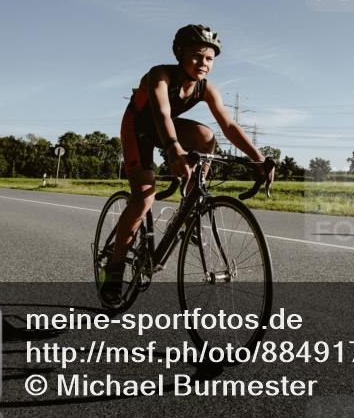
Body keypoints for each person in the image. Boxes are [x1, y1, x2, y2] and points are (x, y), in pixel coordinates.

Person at [100, 24, 274, 305]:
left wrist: (259, 158)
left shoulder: (206, 88)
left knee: (207, 136)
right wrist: (174, 149)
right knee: (144, 196)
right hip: (140, 128)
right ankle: (115, 271)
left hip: (167, 131)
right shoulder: (160, 75)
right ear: (179, 53)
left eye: (209, 59)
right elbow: (162, 114)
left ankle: (191, 201)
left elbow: (228, 125)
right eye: (197, 56)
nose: (203, 63)